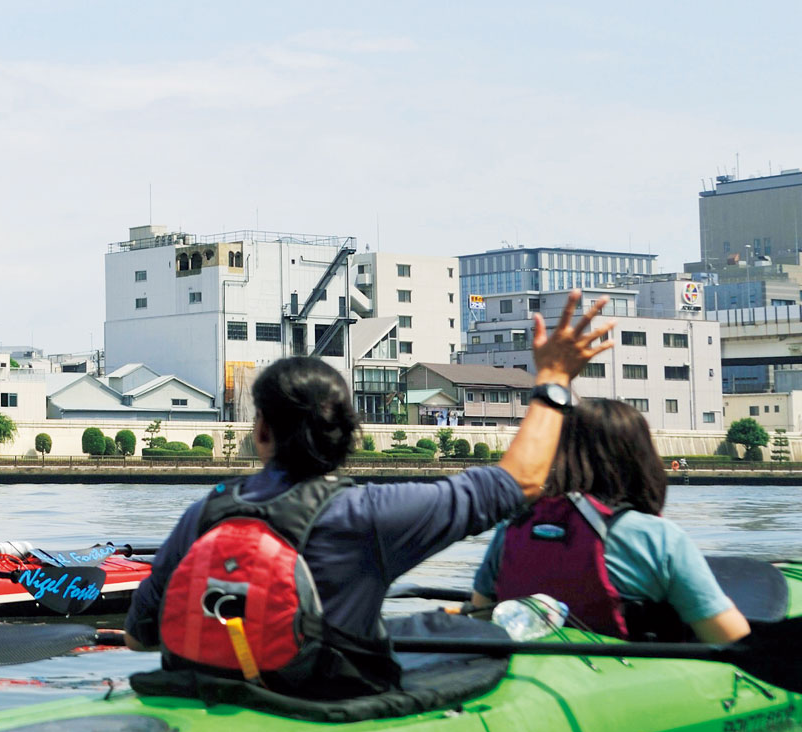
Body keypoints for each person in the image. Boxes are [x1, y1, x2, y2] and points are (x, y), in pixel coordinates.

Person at [124, 290, 616, 699]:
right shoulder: (369, 514)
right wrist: (552, 382)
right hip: (316, 706)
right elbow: (521, 481)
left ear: (262, 432)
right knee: (473, 634)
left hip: (204, 693)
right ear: (347, 435)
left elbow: (139, 635)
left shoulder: (206, 513)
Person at [467, 397, 748, 644]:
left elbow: (480, 614)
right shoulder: (658, 538)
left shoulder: (512, 528)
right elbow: (730, 637)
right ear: (641, 459)